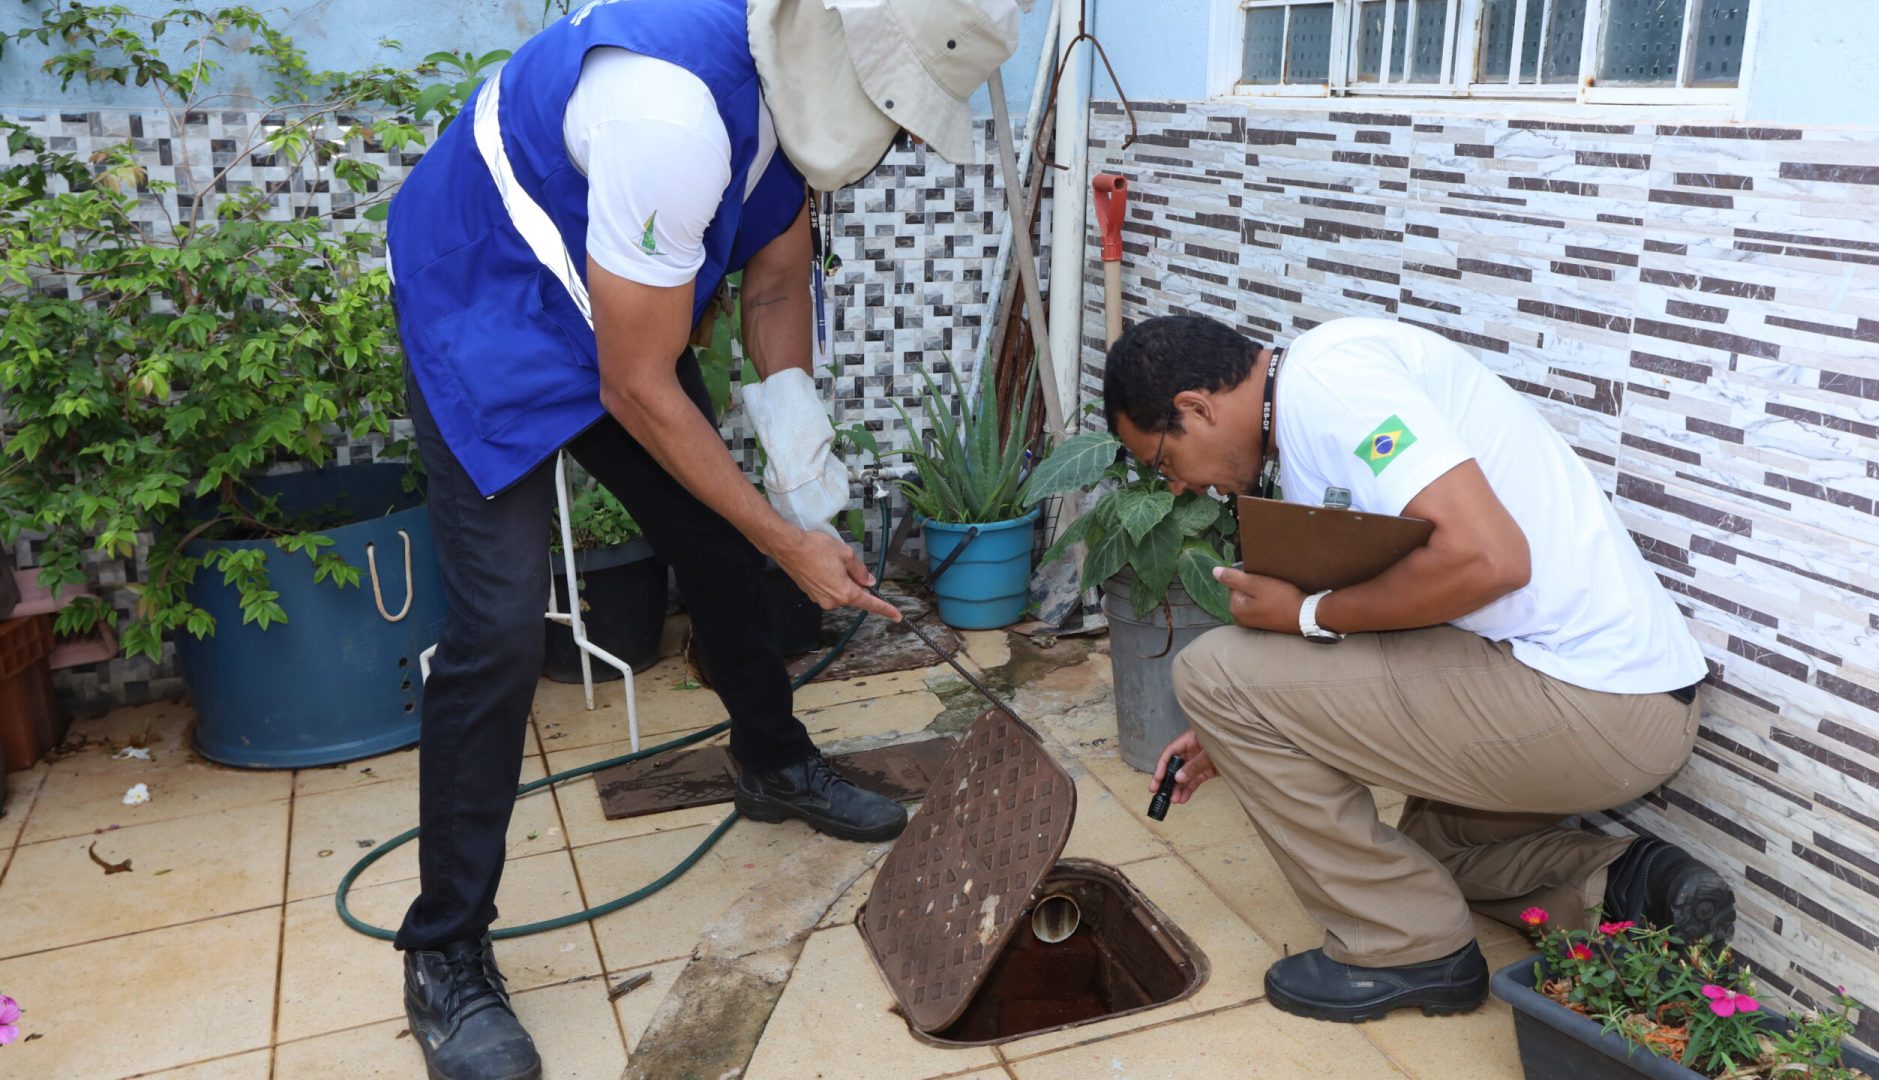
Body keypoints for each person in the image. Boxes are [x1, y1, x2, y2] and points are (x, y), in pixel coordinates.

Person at [383, 1, 1025, 1076]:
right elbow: (636, 384)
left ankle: (771, 763)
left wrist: (799, 465)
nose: (903, 133)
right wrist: (786, 538)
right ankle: (444, 949)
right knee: (497, 627)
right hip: (484, 298)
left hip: (616, 299)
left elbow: (775, 282)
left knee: (720, 544)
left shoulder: (785, 100)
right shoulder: (673, 112)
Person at [1101, 314, 1734, 1023]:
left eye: (1162, 461)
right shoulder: (1317, 394)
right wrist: (1255, 717)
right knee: (1429, 859)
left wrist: (1303, 622)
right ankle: (1626, 888)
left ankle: (1404, 948)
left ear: (1195, 408)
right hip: (1615, 699)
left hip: (1592, 705)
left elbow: (1489, 559)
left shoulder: (1334, 389)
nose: (1179, 488)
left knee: (1214, 672)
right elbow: (1409, 595)